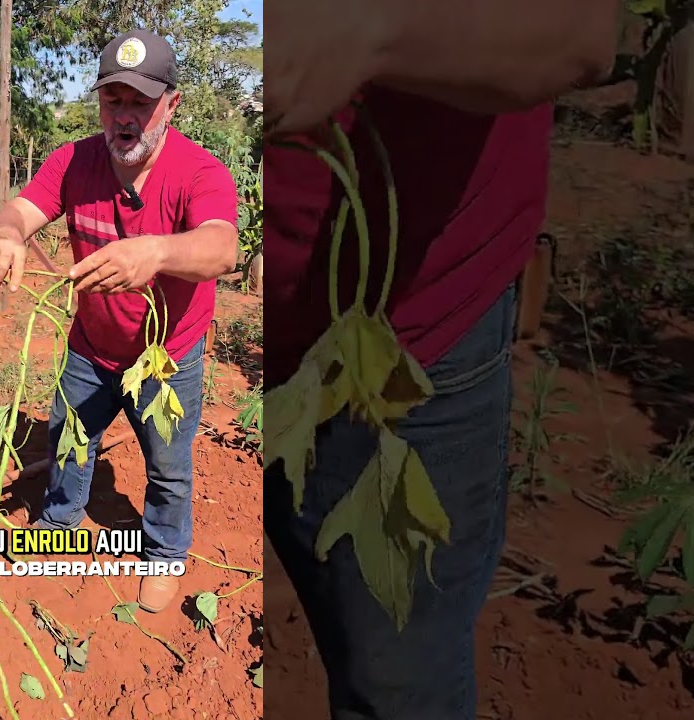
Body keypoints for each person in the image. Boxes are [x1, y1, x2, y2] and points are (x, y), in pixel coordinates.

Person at [261, 2, 622, 718]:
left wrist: (369, 32)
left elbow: (583, 30)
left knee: (395, 682)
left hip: (409, 353)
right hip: (227, 345)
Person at [0, 29, 240, 612]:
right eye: (112, 100)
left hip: (166, 359)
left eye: (140, 103)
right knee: (67, 442)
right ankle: (59, 523)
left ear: (171, 104)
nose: (124, 117)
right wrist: (5, 234)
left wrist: (157, 251)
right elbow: (17, 211)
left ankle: (165, 553)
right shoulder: (74, 161)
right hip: (90, 348)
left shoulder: (200, 172)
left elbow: (223, 248)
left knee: (168, 467)